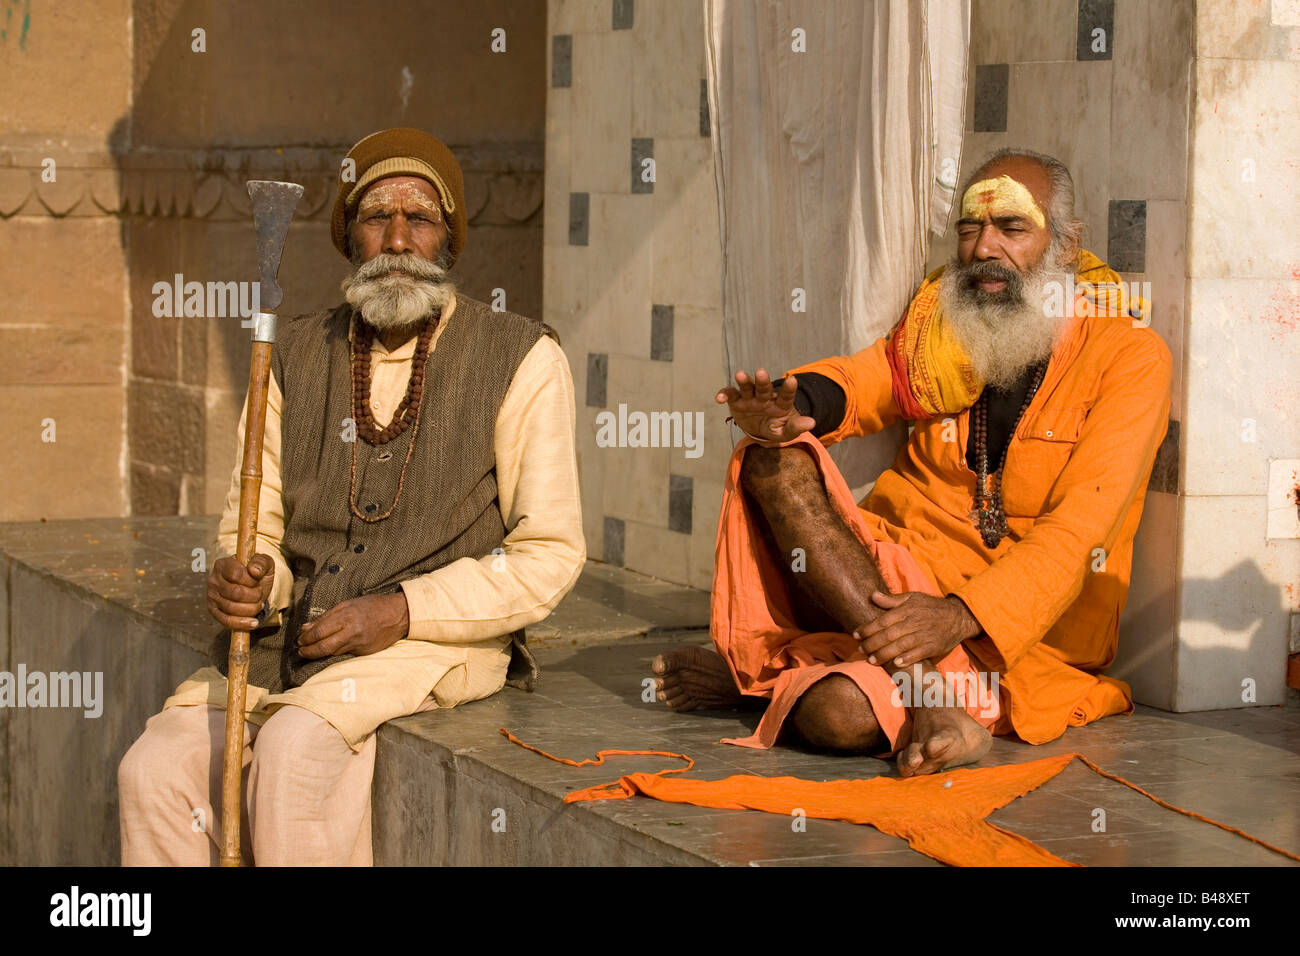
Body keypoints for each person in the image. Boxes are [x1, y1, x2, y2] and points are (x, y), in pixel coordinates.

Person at [118, 127, 585, 864]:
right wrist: (252, 577)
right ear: (349, 238)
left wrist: (403, 610)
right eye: (376, 217)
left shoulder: (522, 355)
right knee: (152, 770)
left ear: (447, 239)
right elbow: (255, 521)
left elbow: (549, 553)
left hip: (426, 646)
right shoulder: (293, 353)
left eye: (420, 218)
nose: (398, 238)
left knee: (294, 760)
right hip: (284, 645)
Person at [653, 148, 1171, 777]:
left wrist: (960, 614)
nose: (984, 249)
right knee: (772, 459)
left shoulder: (1131, 358)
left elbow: (1082, 532)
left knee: (839, 714)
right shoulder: (942, 329)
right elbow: (868, 379)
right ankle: (921, 686)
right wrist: (795, 407)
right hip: (885, 584)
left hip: (1010, 638)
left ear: (1065, 245)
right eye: (969, 228)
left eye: (1012, 228)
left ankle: (760, 683)